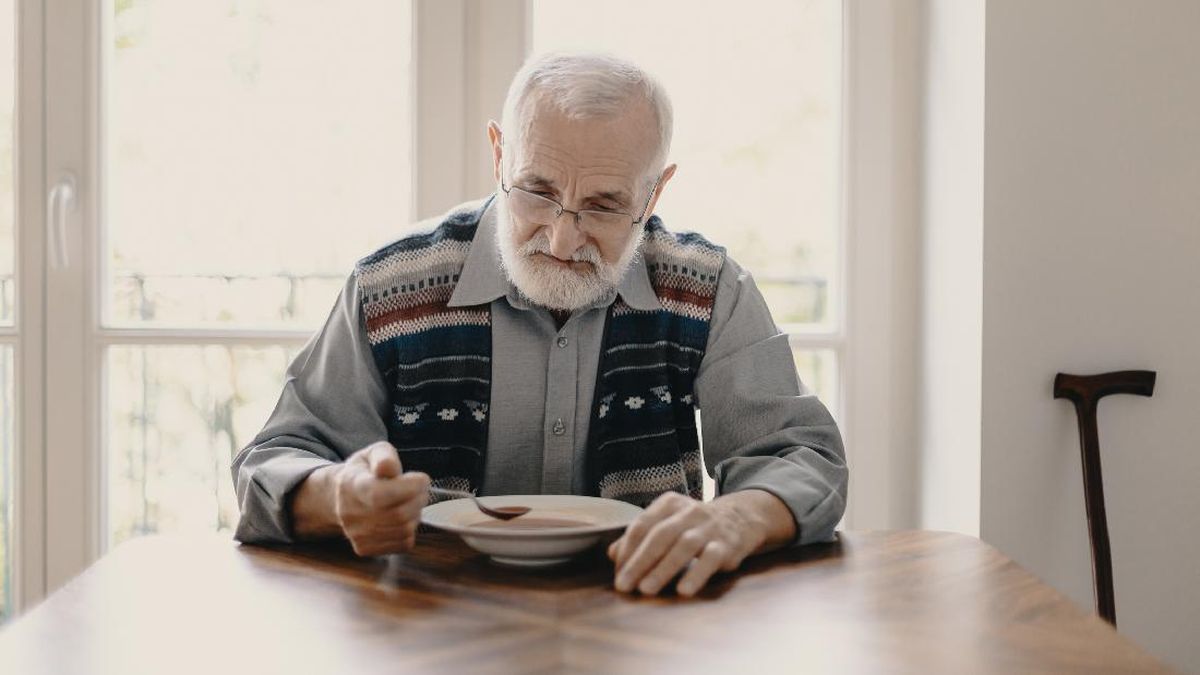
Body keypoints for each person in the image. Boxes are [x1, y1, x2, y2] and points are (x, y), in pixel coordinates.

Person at [232, 51, 847, 598]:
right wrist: (337, 498)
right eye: (535, 191)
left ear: (654, 193)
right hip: (425, 624)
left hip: (648, 618)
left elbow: (802, 455)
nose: (560, 237)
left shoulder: (709, 288)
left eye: (604, 205)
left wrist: (737, 517)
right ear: (500, 154)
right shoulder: (389, 283)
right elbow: (274, 460)